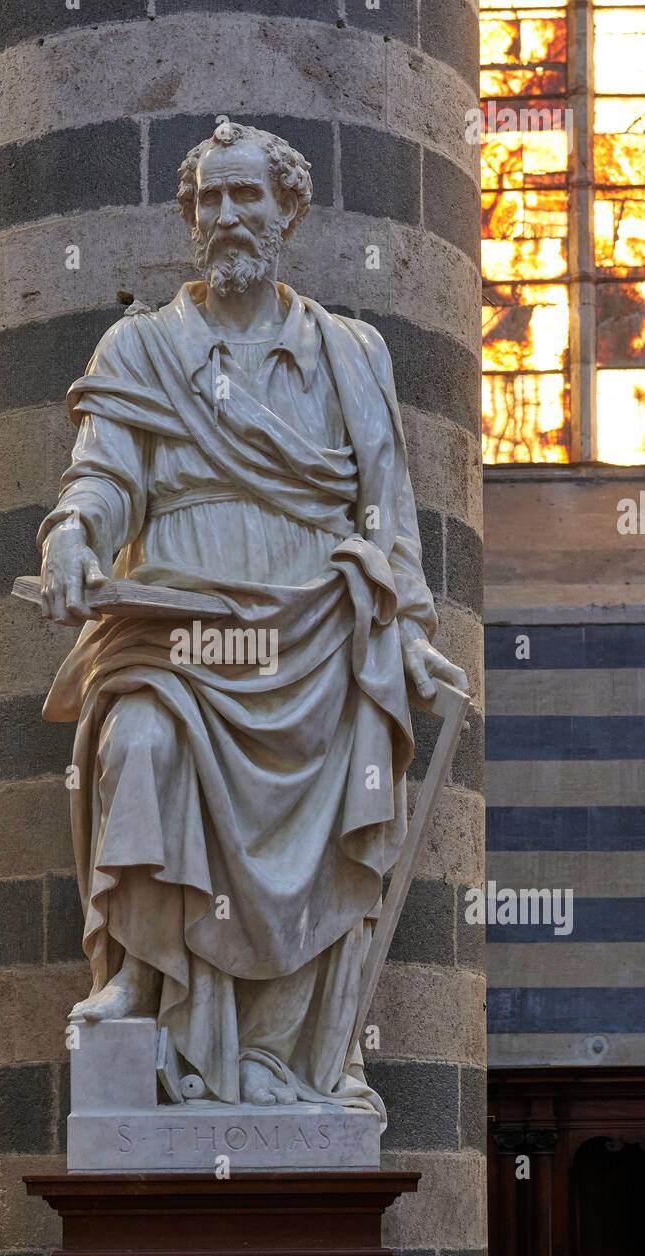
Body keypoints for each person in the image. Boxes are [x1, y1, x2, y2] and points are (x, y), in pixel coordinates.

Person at [38, 121, 468, 1113]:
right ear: (190, 218)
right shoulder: (141, 346)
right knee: (139, 742)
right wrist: (71, 537)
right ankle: (139, 978)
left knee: (330, 806)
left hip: (316, 631)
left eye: (247, 197)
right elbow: (102, 478)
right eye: (208, 201)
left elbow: (385, 510)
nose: (227, 217)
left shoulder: (349, 354)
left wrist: (405, 630)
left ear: (289, 211)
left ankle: (277, 1057)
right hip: (177, 630)